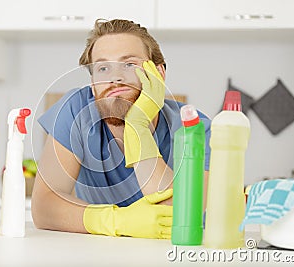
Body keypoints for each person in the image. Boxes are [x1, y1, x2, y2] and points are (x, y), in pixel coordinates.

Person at [31, 19, 211, 239]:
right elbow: (43, 206)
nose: (115, 78)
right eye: (103, 68)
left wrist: (137, 125)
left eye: (129, 65)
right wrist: (116, 221)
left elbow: (179, 212)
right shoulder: (76, 109)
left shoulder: (195, 128)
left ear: (159, 73)